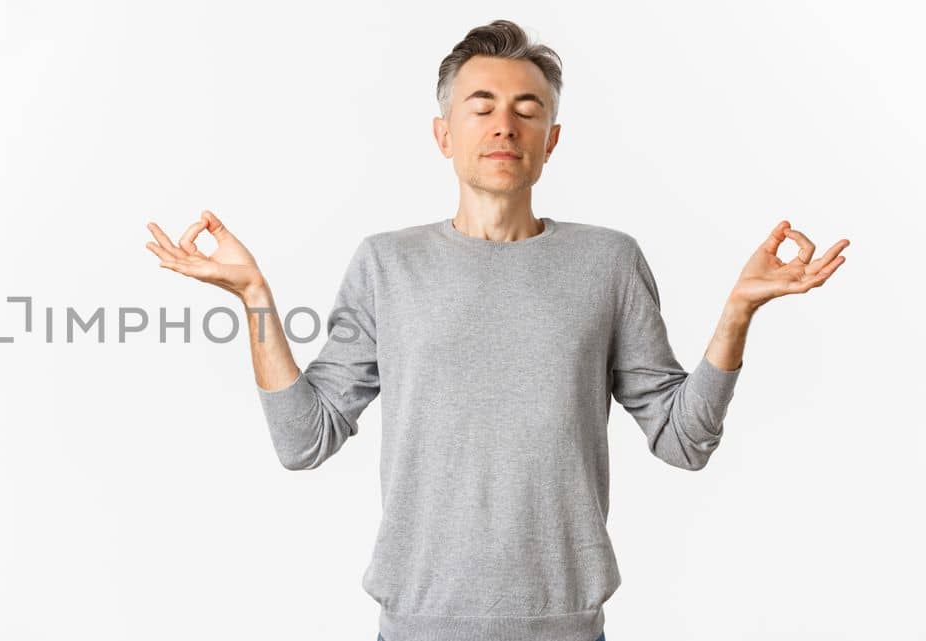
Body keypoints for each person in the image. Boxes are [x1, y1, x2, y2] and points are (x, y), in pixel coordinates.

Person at [143, 18, 848, 641]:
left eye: (526, 109)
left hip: (567, 628)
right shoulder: (387, 264)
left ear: (552, 140)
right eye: (481, 107)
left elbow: (683, 439)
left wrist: (738, 311)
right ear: (444, 135)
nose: (504, 126)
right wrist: (253, 296)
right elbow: (304, 439)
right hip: (418, 624)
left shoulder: (607, 262)